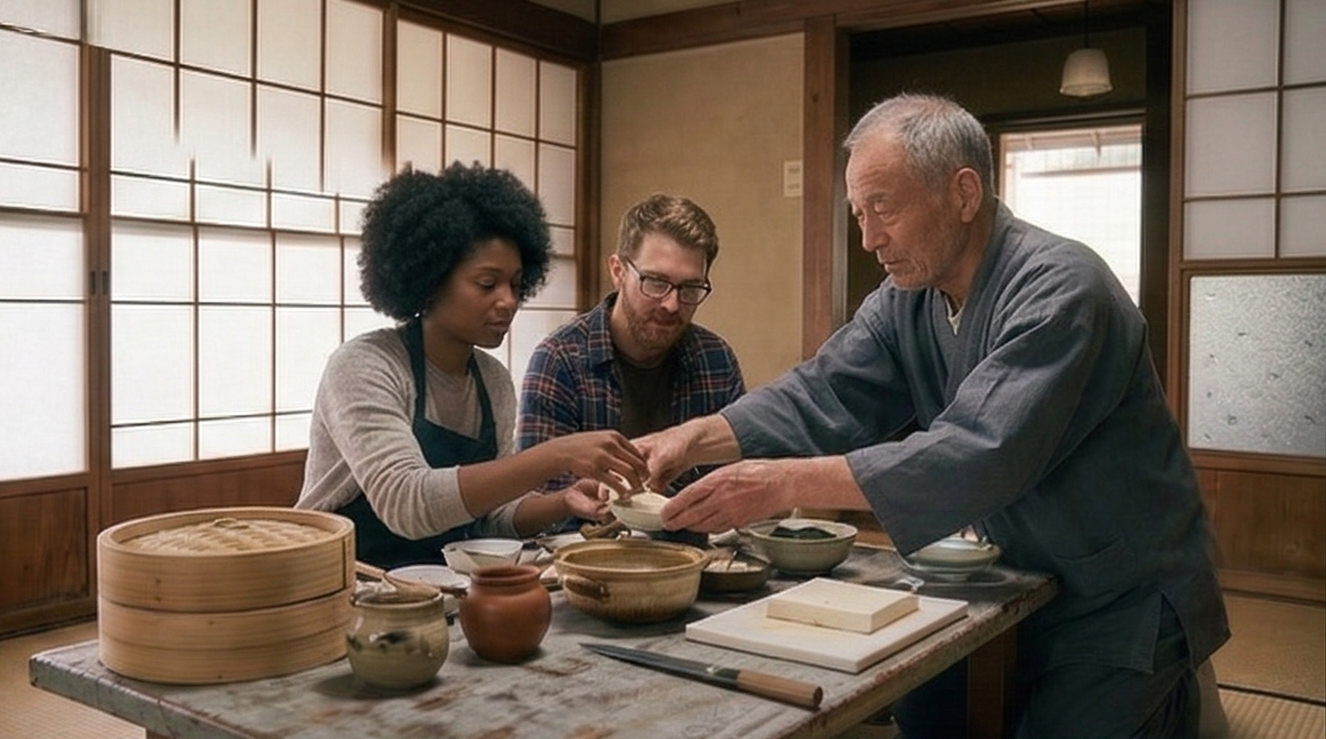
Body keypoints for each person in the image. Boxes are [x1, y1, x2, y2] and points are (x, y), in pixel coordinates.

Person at [636, 94, 1229, 738]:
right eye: (858, 213)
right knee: (923, 709)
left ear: (963, 193)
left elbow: (978, 452)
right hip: (1006, 577)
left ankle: (1183, 695)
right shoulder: (905, 300)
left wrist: (781, 483)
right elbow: (823, 390)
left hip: (1119, 595)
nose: (869, 238)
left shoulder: (1063, 287)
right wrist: (691, 438)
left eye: (883, 207)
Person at [295, 163, 647, 569]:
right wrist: (557, 455)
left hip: (437, 584)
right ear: (431, 281)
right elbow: (406, 503)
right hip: (338, 578)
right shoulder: (365, 365)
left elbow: (489, 517)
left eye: (516, 284)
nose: (508, 301)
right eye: (487, 284)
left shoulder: (492, 381)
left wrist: (562, 501)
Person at [515, 193, 745, 531]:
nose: (671, 304)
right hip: (584, 551)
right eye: (656, 282)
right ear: (618, 271)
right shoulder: (560, 360)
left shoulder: (715, 360)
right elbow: (539, 504)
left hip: (694, 550)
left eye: (690, 288)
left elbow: (735, 483)